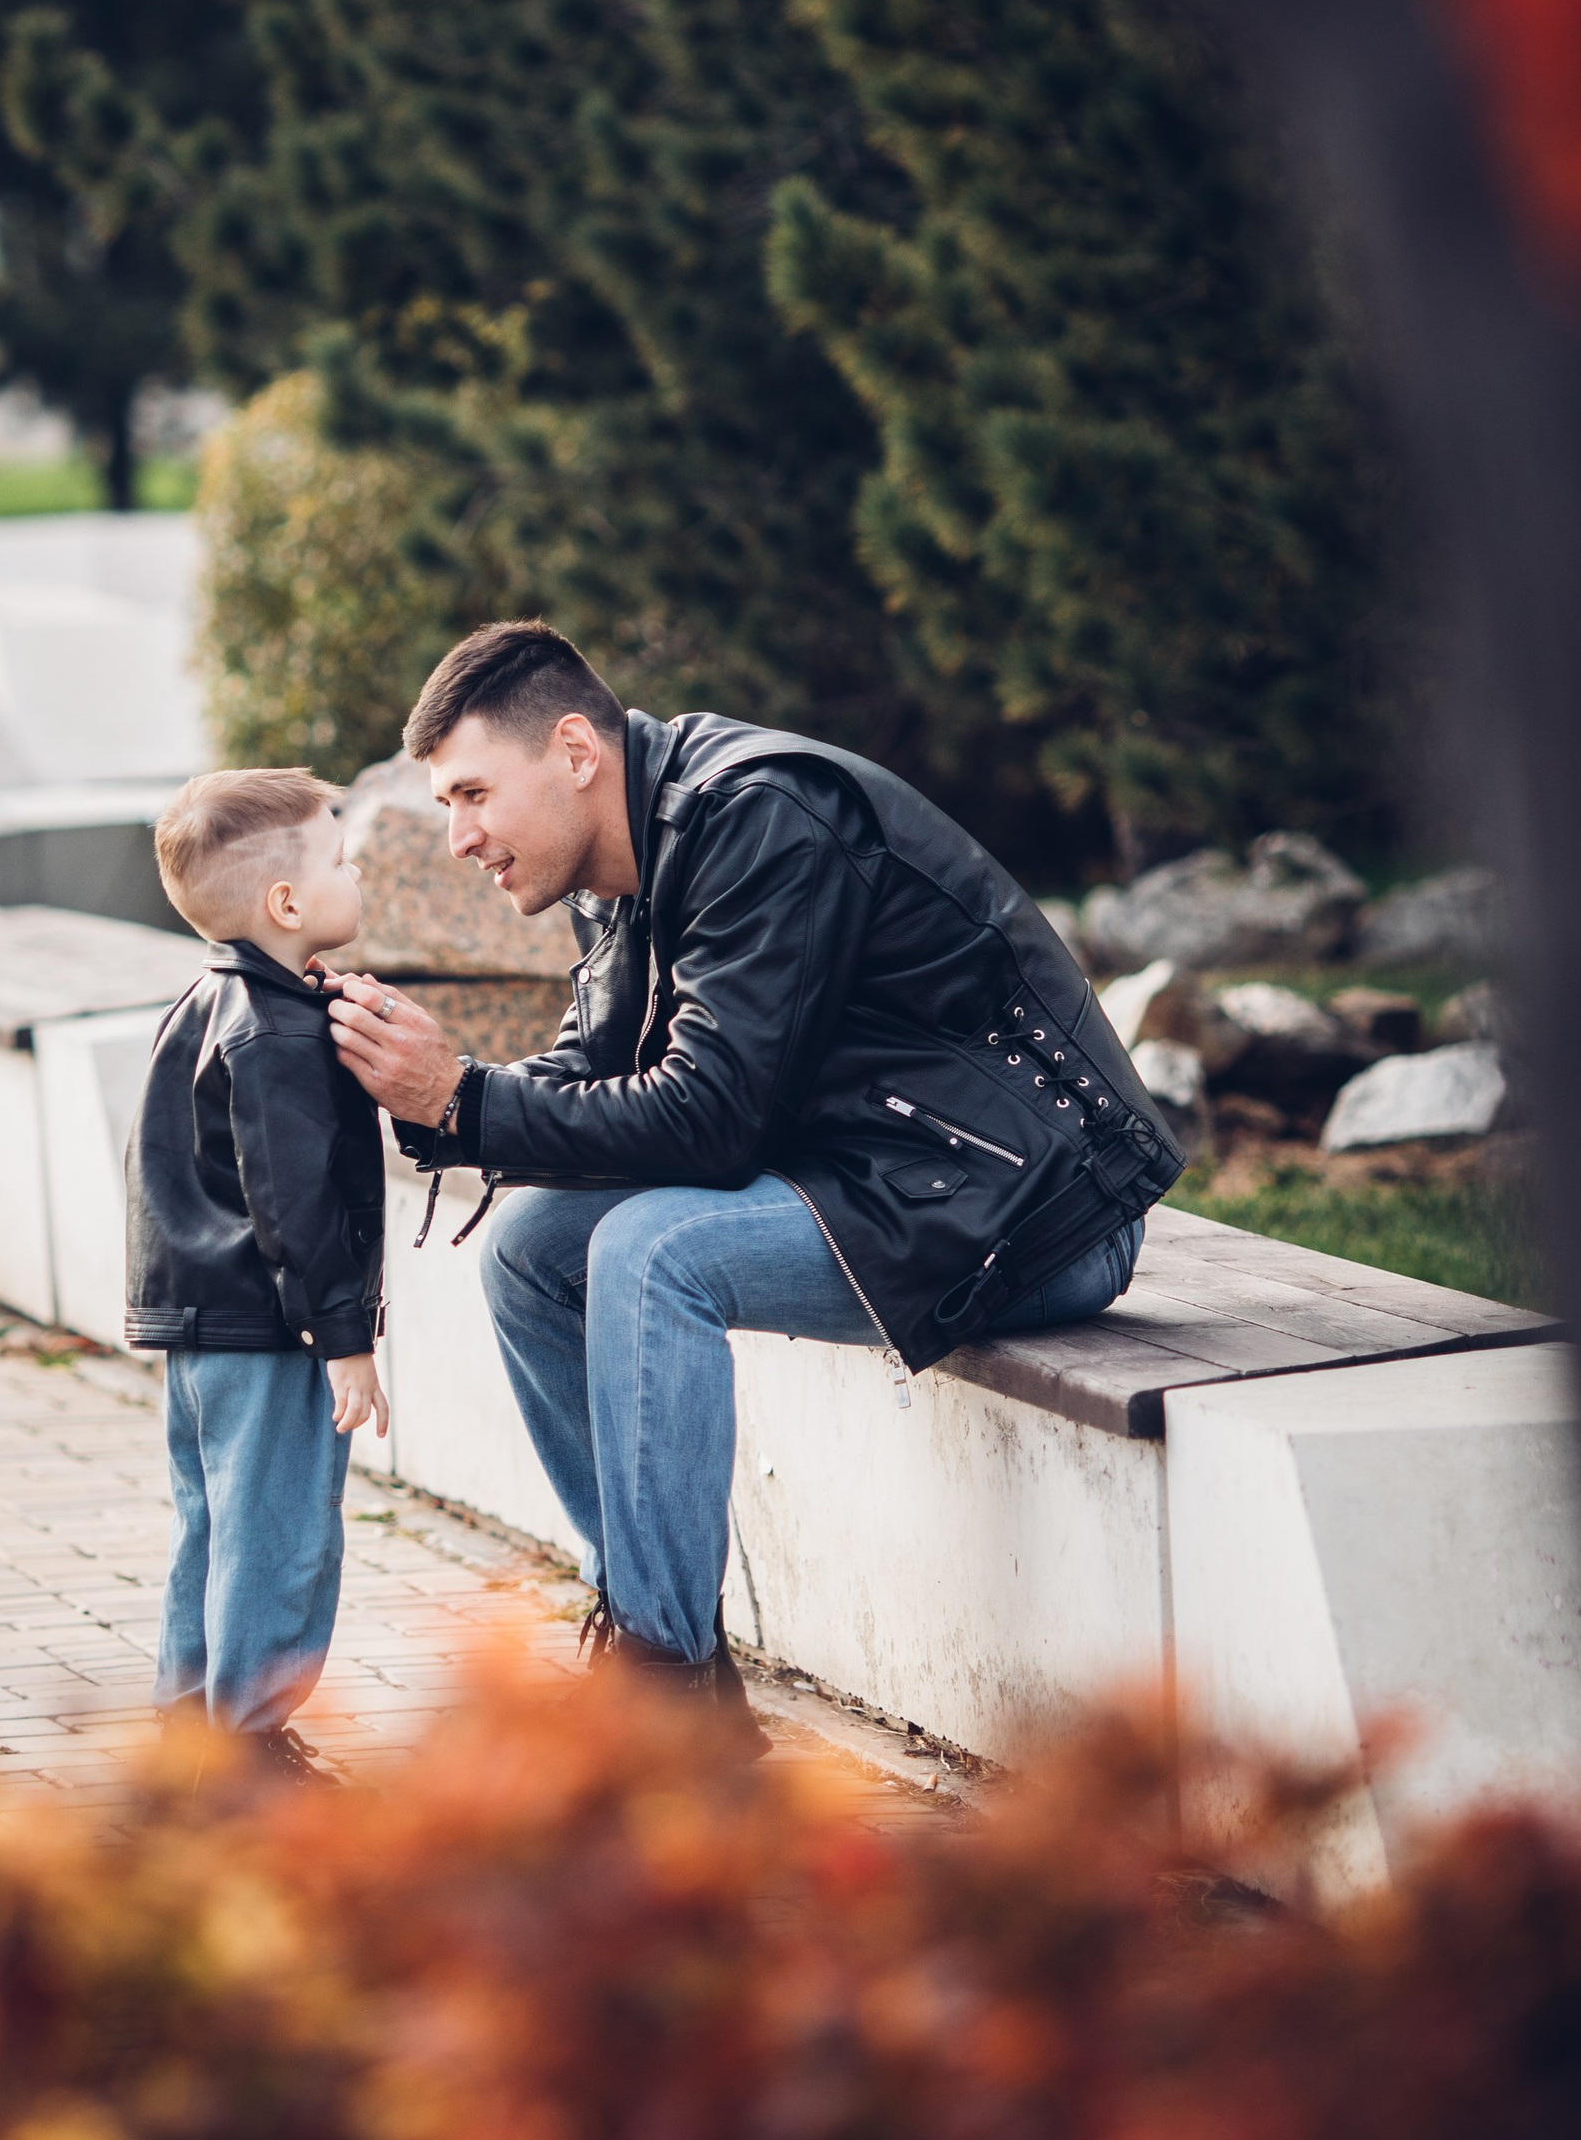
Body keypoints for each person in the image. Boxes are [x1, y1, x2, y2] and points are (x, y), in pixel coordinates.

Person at [327, 623, 1182, 1730]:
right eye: (446, 804)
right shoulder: (623, 861)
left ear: (575, 752)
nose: (458, 838)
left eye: (473, 794)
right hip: (879, 1181)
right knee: (529, 1254)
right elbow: (596, 1078)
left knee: (650, 1256)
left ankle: (665, 1699)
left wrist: (461, 1098)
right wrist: (420, 1092)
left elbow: (710, 1120)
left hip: (1034, 1209)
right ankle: (654, 1630)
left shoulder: (762, 816)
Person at [126, 767, 389, 1776]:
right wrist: (342, 1336)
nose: (356, 872)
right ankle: (249, 1753)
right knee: (279, 1538)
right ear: (285, 904)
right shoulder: (276, 1034)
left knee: (212, 1530)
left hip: (202, 1323)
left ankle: (190, 1734)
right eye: (339, 859)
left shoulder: (208, 1002)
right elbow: (294, 1200)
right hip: (274, 1326)